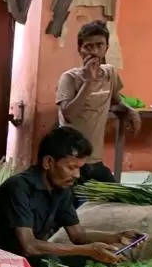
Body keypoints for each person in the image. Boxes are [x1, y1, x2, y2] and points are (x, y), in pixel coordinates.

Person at [0, 126, 140, 267]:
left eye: (79, 168)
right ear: (48, 162)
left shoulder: (61, 189)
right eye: (71, 167)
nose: (77, 175)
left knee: (101, 263)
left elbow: (78, 236)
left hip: (27, 258)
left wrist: (117, 237)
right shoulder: (18, 188)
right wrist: (88, 250)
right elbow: (29, 246)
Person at [56, 19, 140, 184]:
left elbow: (116, 99)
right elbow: (69, 115)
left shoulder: (110, 74)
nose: (94, 51)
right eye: (88, 46)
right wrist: (88, 82)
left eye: (99, 45)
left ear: (106, 48)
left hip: (95, 159)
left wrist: (130, 110)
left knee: (114, 200)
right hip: (71, 160)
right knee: (73, 206)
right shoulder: (69, 78)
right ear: (80, 50)